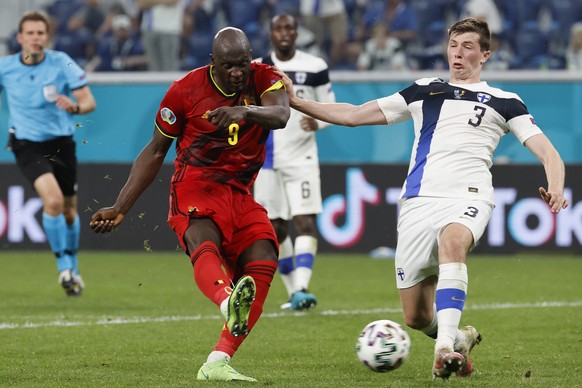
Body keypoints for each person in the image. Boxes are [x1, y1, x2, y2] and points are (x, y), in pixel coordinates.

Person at [276, 17, 569, 379]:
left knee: (453, 242)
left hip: (469, 194)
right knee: (415, 316)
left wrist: (556, 186)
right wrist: (295, 101)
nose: (458, 53)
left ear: (486, 54)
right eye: (453, 45)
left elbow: (548, 152)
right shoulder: (422, 90)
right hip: (417, 201)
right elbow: (352, 115)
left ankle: (443, 349)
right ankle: (458, 339)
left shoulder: (505, 101)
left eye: (468, 47)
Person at [90, 27, 290, 382]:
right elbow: (154, 151)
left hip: (241, 193)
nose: (236, 73)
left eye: (242, 64)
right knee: (204, 239)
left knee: (264, 257)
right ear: (212, 61)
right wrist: (121, 206)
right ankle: (228, 301)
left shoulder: (264, 78)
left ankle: (218, 360)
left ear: (251, 58)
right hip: (195, 185)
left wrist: (245, 112)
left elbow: (281, 115)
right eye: (228, 65)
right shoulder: (184, 91)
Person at [0, 11, 97, 297]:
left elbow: (88, 101)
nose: (35, 38)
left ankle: (73, 269)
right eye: (30, 33)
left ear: (47, 36)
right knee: (52, 201)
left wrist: (75, 107)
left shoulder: (61, 62)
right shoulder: (6, 68)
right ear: (20, 38)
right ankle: (64, 266)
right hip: (26, 144)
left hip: (61, 143)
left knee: (68, 210)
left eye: (40, 33)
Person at [254, 13, 336, 311]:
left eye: (290, 28)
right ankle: (294, 294)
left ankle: (302, 286)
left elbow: (329, 106)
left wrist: (319, 124)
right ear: (271, 34)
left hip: (302, 156)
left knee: (304, 221)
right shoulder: (258, 68)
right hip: (266, 159)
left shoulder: (314, 66)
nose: (284, 33)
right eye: (278, 28)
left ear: (296, 33)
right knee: (275, 229)